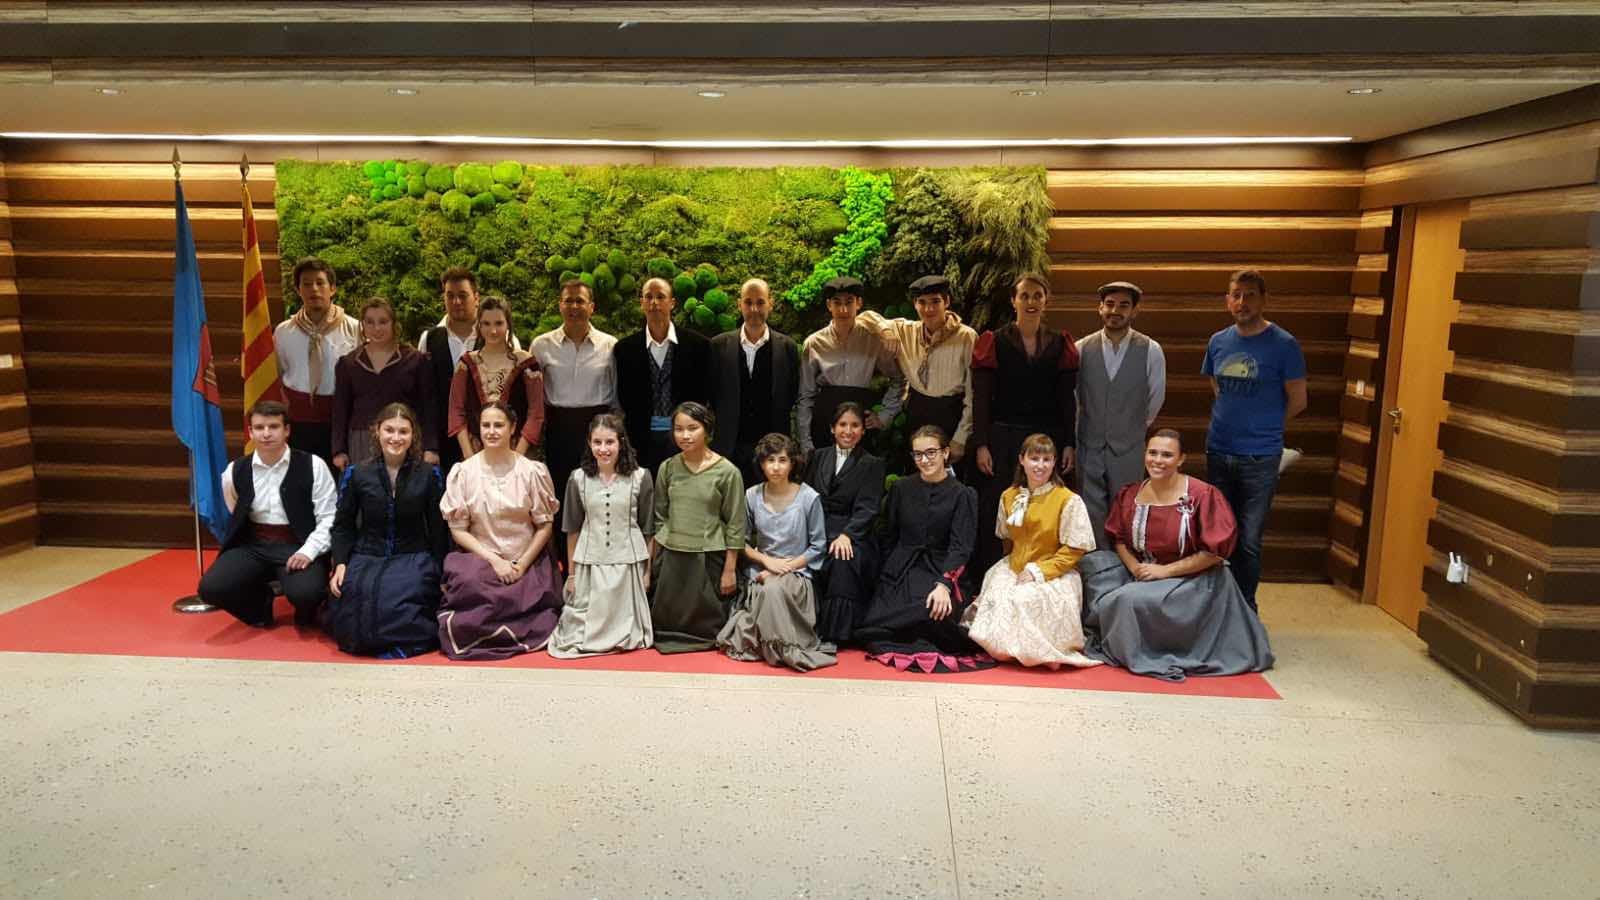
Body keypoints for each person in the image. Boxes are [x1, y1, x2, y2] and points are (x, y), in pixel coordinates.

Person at [1079, 429, 1275, 681]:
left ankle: (1144, 648)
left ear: (1181, 459)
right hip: (1143, 569)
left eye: (1167, 455)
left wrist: (1164, 571)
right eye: (1153, 453)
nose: (1157, 460)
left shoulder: (1203, 495)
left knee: (1124, 600)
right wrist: (1135, 568)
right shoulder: (1131, 493)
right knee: (1091, 567)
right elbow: (1119, 539)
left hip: (1193, 578)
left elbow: (1214, 553)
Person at [1201, 269, 1307, 610]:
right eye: (1236, 295)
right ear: (1227, 300)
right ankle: (1221, 608)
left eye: (1250, 295)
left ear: (1264, 300)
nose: (1242, 302)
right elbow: (1216, 386)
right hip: (1219, 450)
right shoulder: (1218, 341)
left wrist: (1266, 427)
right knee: (1219, 536)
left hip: (1260, 457)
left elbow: (1299, 400)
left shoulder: (1284, 344)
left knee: (1248, 540)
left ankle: (1246, 609)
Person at [854, 425, 991, 674]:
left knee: (932, 610)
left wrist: (944, 584)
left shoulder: (963, 494)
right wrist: (887, 573)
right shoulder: (901, 489)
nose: (924, 460)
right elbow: (889, 534)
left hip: (942, 568)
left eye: (931, 452)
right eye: (918, 454)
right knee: (874, 624)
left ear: (945, 453)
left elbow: (962, 546)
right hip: (902, 567)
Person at [969, 272, 1080, 576]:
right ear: (1013, 300)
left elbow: (1067, 400)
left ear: (1046, 301)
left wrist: (1069, 442)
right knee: (999, 505)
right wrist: (981, 444)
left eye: (1037, 296)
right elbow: (981, 398)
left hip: (1048, 440)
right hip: (1003, 438)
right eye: (1025, 296)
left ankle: (1044, 570)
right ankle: (992, 577)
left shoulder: (1060, 343)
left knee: (1046, 506)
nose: (1031, 302)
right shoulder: (994, 341)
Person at [436, 402, 563, 660]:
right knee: (471, 594)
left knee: (533, 604)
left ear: (512, 428)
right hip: (481, 557)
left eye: (498, 425)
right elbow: (458, 530)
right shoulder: (464, 472)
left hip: (526, 556)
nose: (492, 431)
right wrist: (494, 561)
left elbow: (544, 525)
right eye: (486, 425)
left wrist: (521, 564)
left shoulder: (531, 471)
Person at [961, 433, 1100, 669]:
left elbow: (1074, 550)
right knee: (998, 596)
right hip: (1015, 566)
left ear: (1054, 462)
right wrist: (1014, 567)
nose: (1040, 466)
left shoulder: (1068, 499)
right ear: (1022, 460)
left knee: (1024, 599)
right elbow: (1007, 540)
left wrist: (1039, 571)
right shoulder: (1009, 496)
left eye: (1047, 460)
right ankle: (1006, 650)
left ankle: (1030, 651)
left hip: (1054, 571)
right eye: (1034, 459)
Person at [197, 400, 337, 628]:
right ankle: (260, 605)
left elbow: (330, 517)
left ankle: (307, 612)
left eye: (273, 427)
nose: (266, 434)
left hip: (298, 544)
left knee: (306, 593)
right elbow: (236, 509)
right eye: (259, 427)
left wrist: (309, 552)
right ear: (250, 432)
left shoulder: (314, 465)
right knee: (211, 588)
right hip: (254, 546)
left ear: (287, 430)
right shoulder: (235, 470)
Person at [323, 402, 448, 658]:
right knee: (355, 591)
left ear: (413, 435)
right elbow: (343, 525)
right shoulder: (357, 473)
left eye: (403, 431)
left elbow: (438, 528)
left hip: (412, 554)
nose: (396, 437)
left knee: (402, 594)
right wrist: (341, 563)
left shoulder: (428, 474)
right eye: (389, 430)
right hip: (368, 553)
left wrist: (441, 570)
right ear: (377, 431)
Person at [718, 432, 836, 672]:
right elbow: (739, 540)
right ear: (761, 464)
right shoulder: (751, 495)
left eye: (782, 460)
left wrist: (785, 568)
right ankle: (777, 647)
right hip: (761, 568)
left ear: (792, 463)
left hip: (798, 572)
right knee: (767, 586)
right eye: (770, 460)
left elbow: (818, 547)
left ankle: (782, 647)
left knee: (772, 587)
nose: (776, 467)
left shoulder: (808, 497)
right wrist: (766, 561)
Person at [549, 413, 655, 659]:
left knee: (627, 629)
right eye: (597, 442)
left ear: (621, 442)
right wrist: (572, 574)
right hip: (591, 562)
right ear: (589, 443)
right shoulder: (578, 479)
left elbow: (648, 528)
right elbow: (572, 529)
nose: (603, 449)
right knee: (580, 626)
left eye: (610, 442)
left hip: (627, 564)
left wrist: (647, 571)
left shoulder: (641, 477)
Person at [1076, 280, 1167, 549]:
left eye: (1124, 305)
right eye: (1110, 304)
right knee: (1090, 514)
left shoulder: (1151, 350)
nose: (1116, 310)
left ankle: (1123, 573)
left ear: (1135, 311)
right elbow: (1074, 397)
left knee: (1127, 511)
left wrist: (1130, 427)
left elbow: (1156, 397)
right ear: (1100, 308)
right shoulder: (1081, 348)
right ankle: (1096, 573)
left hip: (1129, 445)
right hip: (1089, 445)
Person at [651, 402, 746, 653]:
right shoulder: (668, 468)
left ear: (707, 430)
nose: (685, 435)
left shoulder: (727, 471)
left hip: (708, 557)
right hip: (673, 557)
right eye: (679, 429)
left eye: (693, 428)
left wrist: (730, 569)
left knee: (708, 625)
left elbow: (736, 523)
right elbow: (660, 516)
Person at [858, 275, 977, 464]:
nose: (929, 309)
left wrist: (960, 438)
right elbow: (864, 317)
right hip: (917, 411)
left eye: (935, 302)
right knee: (917, 474)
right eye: (922, 302)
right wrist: (885, 329)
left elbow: (973, 393)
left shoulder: (966, 337)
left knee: (949, 480)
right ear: (915, 304)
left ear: (946, 302)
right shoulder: (906, 330)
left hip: (951, 414)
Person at [418, 267, 522, 477]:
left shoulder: (501, 337)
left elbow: (513, 393)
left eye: (462, 296)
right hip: (443, 439)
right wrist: (429, 445)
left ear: (476, 297)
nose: (456, 302)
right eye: (450, 296)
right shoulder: (429, 339)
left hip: (490, 435)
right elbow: (425, 396)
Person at [529, 278, 619, 511]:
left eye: (580, 301)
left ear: (592, 307)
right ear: (560, 305)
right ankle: (562, 546)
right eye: (568, 301)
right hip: (558, 428)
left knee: (598, 492)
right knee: (559, 491)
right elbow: (532, 394)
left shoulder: (610, 346)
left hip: (598, 427)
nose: (574, 307)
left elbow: (617, 393)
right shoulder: (541, 345)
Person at [801, 401, 885, 645]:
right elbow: (805, 495)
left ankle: (836, 632)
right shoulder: (817, 456)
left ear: (863, 430)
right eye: (843, 425)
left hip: (852, 531)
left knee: (842, 558)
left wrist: (848, 534)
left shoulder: (872, 464)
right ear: (832, 428)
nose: (848, 431)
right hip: (816, 527)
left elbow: (868, 507)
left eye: (855, 425)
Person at [613, 276, 713, 475]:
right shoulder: (625, 349)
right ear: (641, 303)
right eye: (648, 297)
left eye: (660, 296)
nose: (654, 303)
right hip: (640, 439)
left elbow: (705, 394)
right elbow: (624, 396)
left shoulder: (698, 346)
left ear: (672, 303)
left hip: (685, 439)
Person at [795, 275, 904, 456]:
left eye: (849, 302)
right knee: (824, 480)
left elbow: (899, 379)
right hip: (824, 420)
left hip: (860, 420)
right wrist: (806, 444)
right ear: (829, 305)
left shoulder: (873, 339)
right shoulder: (814, 343)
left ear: (859, 303)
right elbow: (806, 396)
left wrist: (885, 416)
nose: (843, 309)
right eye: (837, 303)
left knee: (859, 477)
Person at [707, 278, 801, 485]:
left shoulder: (787, 348)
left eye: (760, 302)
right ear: (739, 304)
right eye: (748, 302)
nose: (754, 309)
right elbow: (712, 395)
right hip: (728, 447)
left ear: (771, 303)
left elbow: (792, 395)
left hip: (773, 449)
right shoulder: (718, 346)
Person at [331, 297, 436, 472]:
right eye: (370, 322)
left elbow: (429, 407)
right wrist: (339, 450)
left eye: (383, 322)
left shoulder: (416, 360)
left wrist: (431, 447)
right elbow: (340, 410)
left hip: (403, 439)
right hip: (361, 441)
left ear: (393, 323)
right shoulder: (348, 364)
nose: (377, 328)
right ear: (362, 326)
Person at [274, 257, 360, 462]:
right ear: (298, 290)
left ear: (332, 289)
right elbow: (278, 374)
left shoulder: (355, 329)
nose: (314, 289)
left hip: (341, 422)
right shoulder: (284, 332)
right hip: (298, 422)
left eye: (320, 283)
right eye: (307, 284)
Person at [446, 296, 544, 462]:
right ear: (479, 325)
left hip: (517, 453)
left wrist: (517, 457)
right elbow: (456, 412)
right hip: (476, 453)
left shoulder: (526, 364)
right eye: (486, 324)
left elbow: (536, 413)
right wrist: (470, 459)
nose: (493, 331)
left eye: (498, 323)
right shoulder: (466, 364)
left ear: (508, 325)